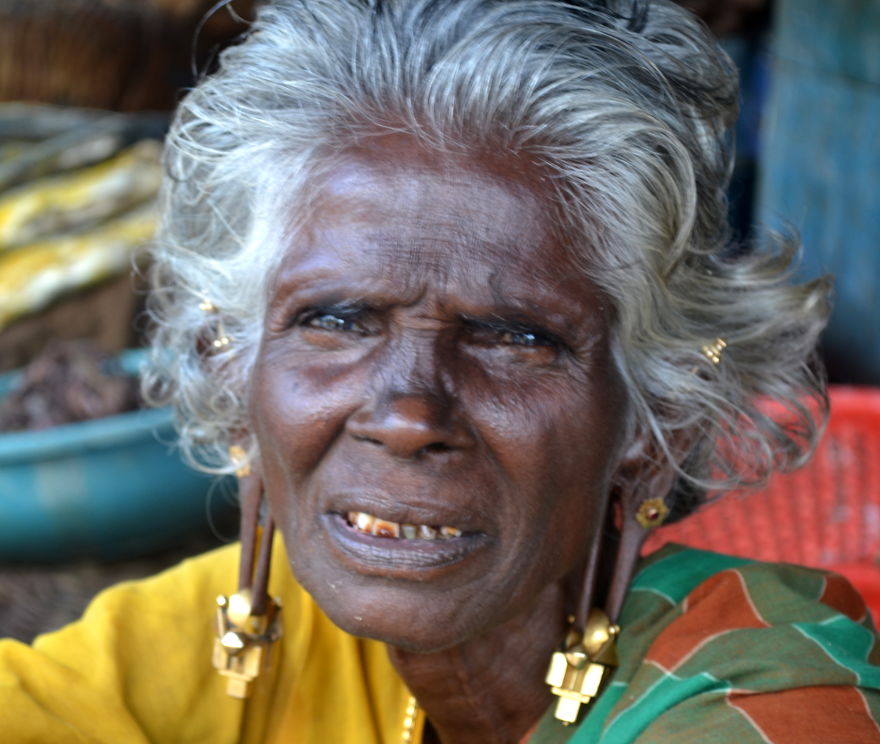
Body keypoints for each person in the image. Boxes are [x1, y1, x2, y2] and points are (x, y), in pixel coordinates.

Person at [2, 1, 879, 742]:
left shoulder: (772, 697)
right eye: (336, 321)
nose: (408, 414)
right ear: (232, 373)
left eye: (513, 338)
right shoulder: (258, 634)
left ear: (658, 422)